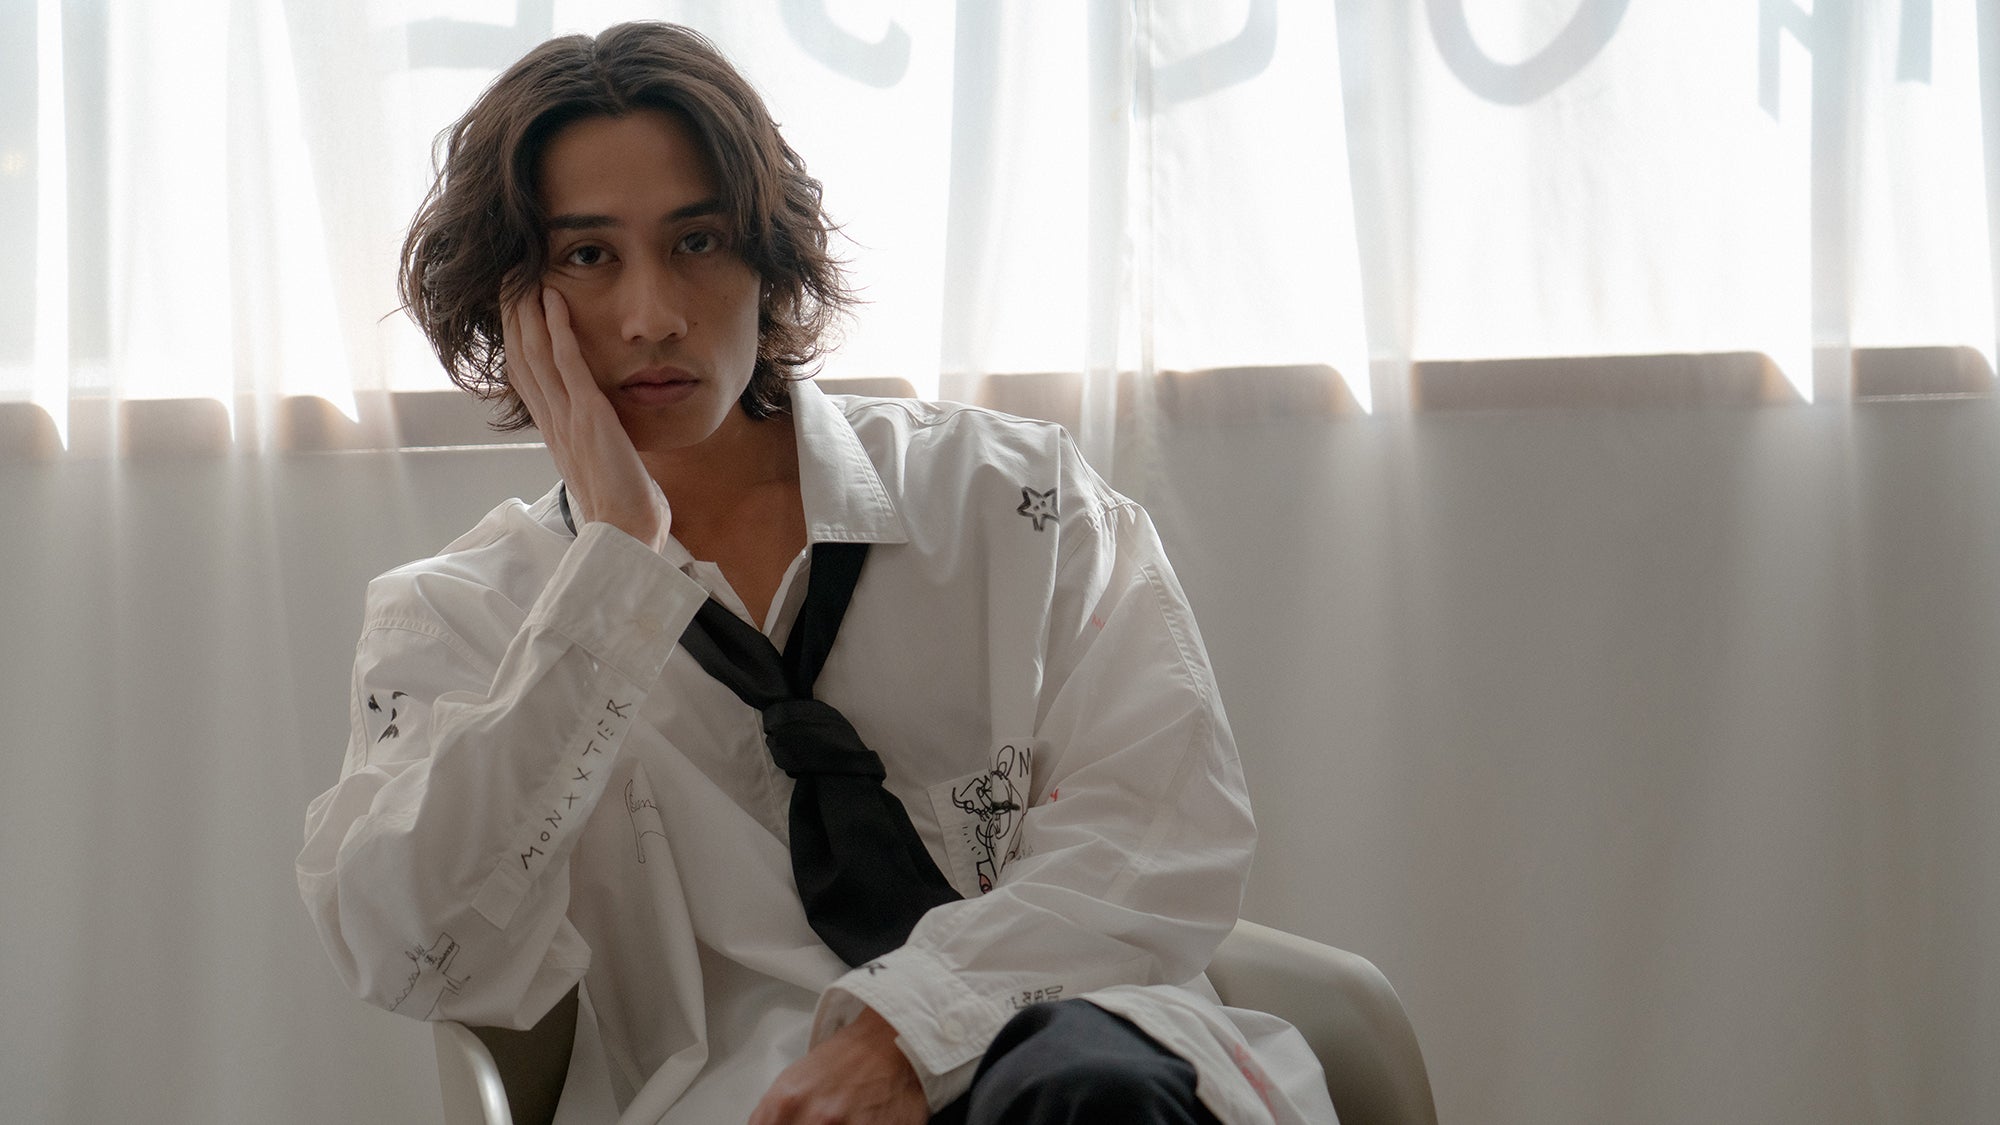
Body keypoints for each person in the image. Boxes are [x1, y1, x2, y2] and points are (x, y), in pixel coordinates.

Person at [297, 21, 1333, 1125]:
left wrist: (905, 1034)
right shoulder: (459, 617)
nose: (652, 317)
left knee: (1087, 1087)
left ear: (767, 255)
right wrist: (612, 569)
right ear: (509, 296)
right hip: (743, 1100)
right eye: (588, 256)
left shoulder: (1013, 501)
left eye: (697, 240)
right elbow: (414, 953)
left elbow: (1164, 824)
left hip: (1069, 1066)